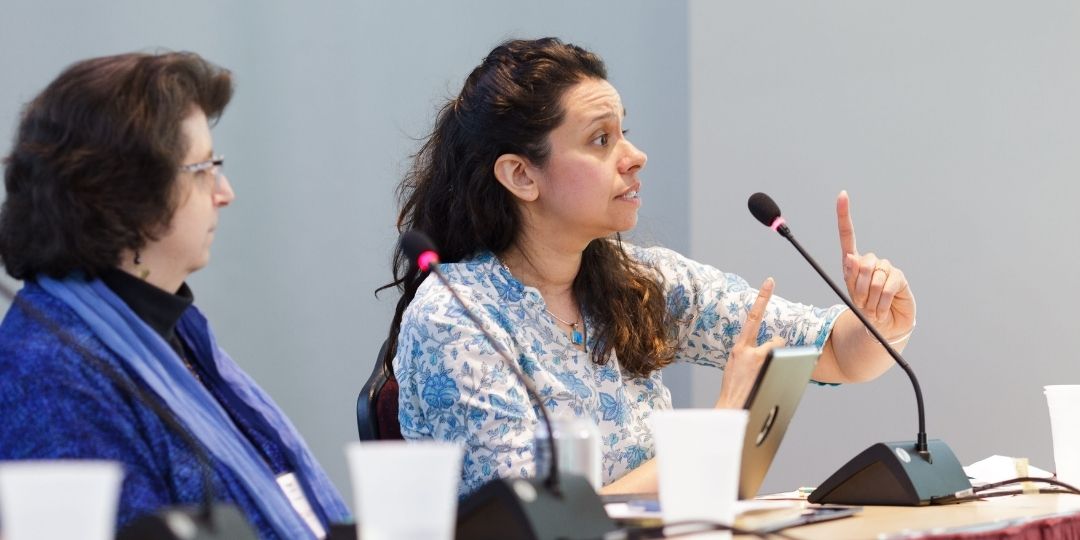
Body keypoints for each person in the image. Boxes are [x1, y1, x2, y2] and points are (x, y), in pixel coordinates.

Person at [385, 37, 916, 497]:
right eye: (601, 139)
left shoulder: (639, 283)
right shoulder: (455, 319)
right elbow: (542, 521)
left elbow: (837, 356)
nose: (635, 156)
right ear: (522, 175)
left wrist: (882, 323)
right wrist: (718, 431)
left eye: (624, 133)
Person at [0, 52, 349, 539]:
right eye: (204, 168)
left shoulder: (171, 329)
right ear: (128, 193)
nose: (224, 192)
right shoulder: (48, 372)